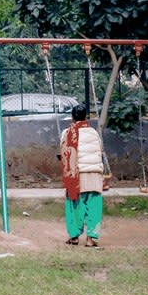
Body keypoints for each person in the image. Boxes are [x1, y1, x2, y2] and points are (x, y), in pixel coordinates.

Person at [60, 104, 109, 247]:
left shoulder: (67, 133)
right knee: (94, 206)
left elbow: (64, 152)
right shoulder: (94, 133)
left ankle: (74, 236)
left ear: (72, 117)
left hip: (77, 176)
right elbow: (98, 150)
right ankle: (91, 238)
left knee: (74, 205)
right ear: (86, 117)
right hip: (94, 174)